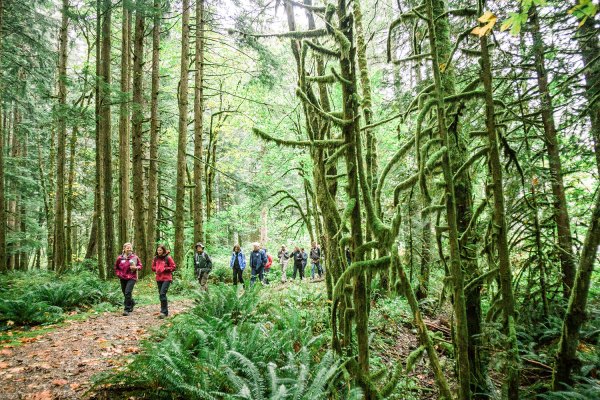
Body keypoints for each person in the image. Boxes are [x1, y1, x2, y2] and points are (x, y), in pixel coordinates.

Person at [114, 242, 143, 316]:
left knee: (127, 292)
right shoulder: (120, 258)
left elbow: (140, 266)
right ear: (124, 249)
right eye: (128, 248)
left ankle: (126, 309)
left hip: (132, 277)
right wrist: (118, 274)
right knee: (125, 293)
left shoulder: (135, 257)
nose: (129, 249)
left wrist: (136, 267)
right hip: (122, 277)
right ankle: (132, 302)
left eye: (130, 248)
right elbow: (116, 268)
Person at [151, 244, 176, 318]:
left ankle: (164, 312)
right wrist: (156, 268)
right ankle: (164, 311)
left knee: (162, 294)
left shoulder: (168, 258)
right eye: (158, 250)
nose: (159, 251)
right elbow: (152, 267)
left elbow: (173, 267)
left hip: (167, 278)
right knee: (161, 295)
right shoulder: (155, 258)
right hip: (159, 278)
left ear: (163, 250)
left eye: (160, 250)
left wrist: (165, 268)